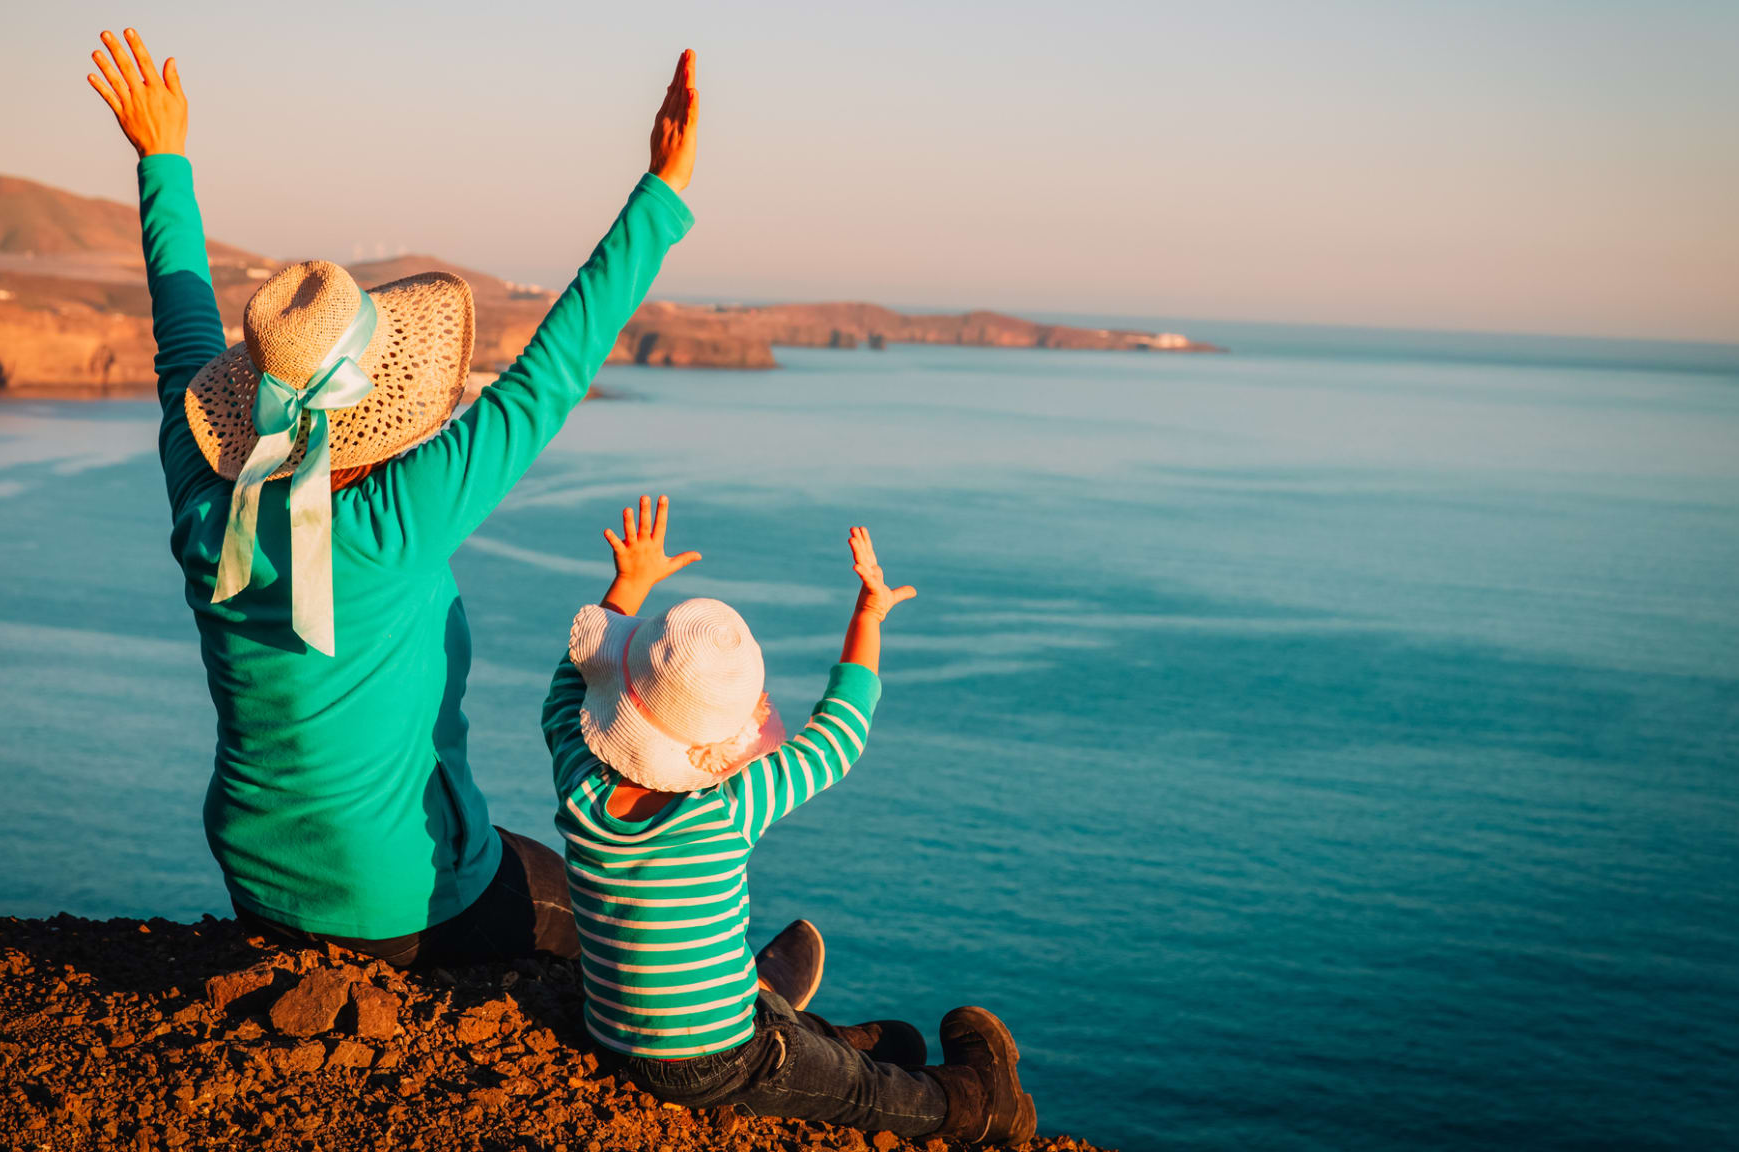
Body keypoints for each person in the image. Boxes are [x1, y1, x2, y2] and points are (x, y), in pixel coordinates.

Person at [81, 27, 713, 968]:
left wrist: (162, 157)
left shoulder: (201, 495)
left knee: (539, 869)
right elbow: (547, 377)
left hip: (260, 880)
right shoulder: (392, 522)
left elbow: (181, 339)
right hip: (401, 905)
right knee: (621, 899)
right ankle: (748, 996)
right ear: (383, 400)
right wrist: (662, 191)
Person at [540, 496, 1038, 1144]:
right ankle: (982, 1105)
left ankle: (811, 1031)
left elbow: (565, 686)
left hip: (611, 1033)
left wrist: (629, 583)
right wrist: (869, 616)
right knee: (862, 1093)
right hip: (712, 1060)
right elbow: (839, 736)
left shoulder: (576, 776)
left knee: (812, 1046)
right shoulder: (723, 808)